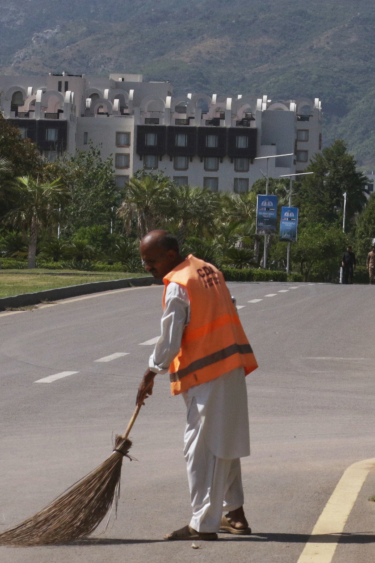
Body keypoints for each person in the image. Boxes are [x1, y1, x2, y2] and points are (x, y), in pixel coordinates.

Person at [135, 230, 258, 541]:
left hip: (207, 375)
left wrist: (151, 372)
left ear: (170, 255)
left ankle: (202, 524)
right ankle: (235, 514)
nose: (147, 267)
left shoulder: (179, 285)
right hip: (230, 366)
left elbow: (170, 340)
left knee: (200, 450)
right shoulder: (208, 270)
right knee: (224, 444)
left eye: (151, 261)